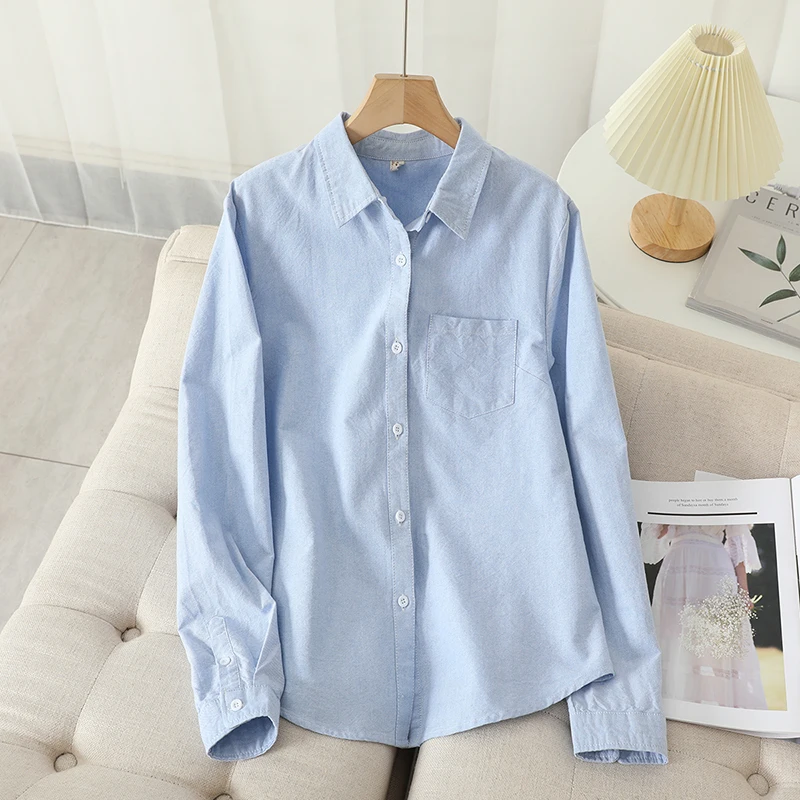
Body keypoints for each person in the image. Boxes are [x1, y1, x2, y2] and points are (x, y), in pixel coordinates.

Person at [640, 522, 767, 709]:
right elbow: (657, 538)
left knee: (715, 642)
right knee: (675, 637)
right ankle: (680, 707)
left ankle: (717, 709)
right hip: (677, 567)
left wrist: (743, 592)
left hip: (714, 567)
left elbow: (736, 539)